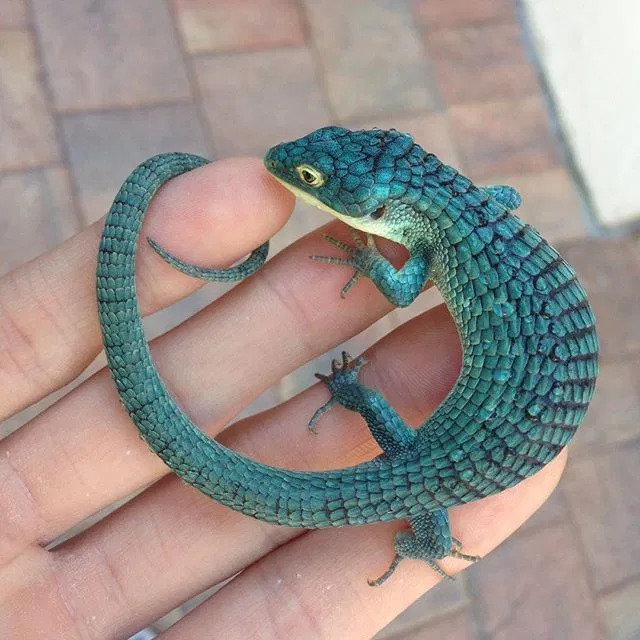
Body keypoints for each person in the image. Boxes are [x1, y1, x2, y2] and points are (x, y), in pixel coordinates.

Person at [0, 158, 565, 639]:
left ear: (379, 212)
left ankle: (361, 414)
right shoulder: (468, 212)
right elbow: (504, 198)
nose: (296, 168)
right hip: (532, 422)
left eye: (309, 175)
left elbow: (401, 286)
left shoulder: (433, 229)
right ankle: (424, 536)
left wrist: (371, 262)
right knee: (416, 477)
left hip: (483, 442)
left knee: (412, 466)